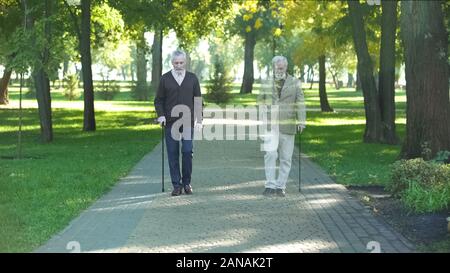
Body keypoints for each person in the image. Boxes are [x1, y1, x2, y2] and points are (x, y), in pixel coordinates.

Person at [154, 50, 203, 196]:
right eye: (176, 63)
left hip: (188, 121)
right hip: (170, 121)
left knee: (187, 151)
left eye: (181, 62)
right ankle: (176, 185)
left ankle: (186, 183)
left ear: (185, 62)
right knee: (172, 153)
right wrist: (161, 115)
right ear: (172, 63)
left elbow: (198, 100)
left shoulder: (192, 78)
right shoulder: (165, 79)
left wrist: (199, 119)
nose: (179, 65)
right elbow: (159, 100)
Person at [258, 56, 306, 197]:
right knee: (270, 154)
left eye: (283, 67)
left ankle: (281, 186)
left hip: (288, 124)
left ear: (286, 67)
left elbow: (300, 102)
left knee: (286, 158)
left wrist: (301, 121)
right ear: (273, 66)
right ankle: (270, 185)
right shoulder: (266, 82)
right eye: (278, 67)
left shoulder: (295, 82)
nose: (281, 69)